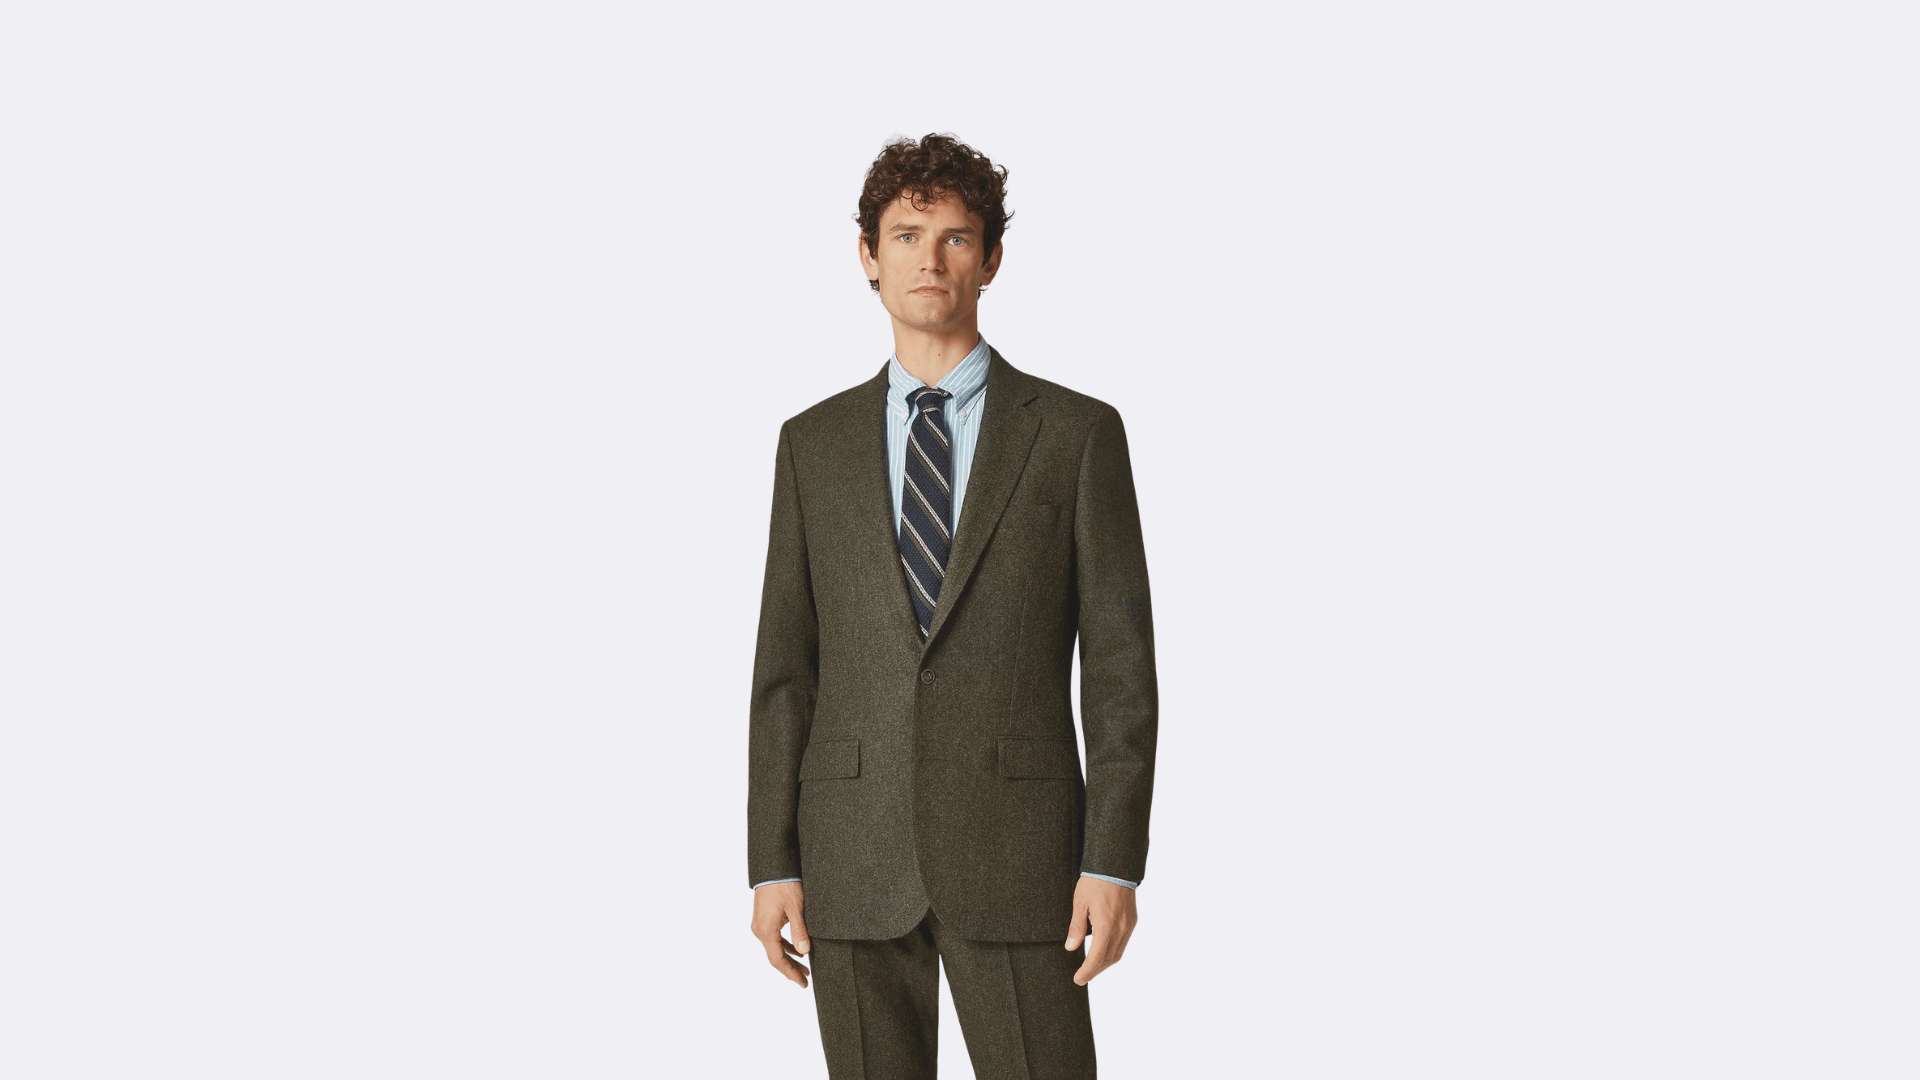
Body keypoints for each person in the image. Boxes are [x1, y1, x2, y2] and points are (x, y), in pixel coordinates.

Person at [746, 132, 1158, 1079]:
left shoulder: (1076, 434)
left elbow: (1121, 671)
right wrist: (772, 861)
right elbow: (785, 670)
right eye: (905, 236)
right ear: (867, 255)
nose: (929, 259)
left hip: (1023, 855)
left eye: (956, 238)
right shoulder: (811, 444)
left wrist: (1113, 860)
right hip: (852, 851)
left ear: (992, 259)